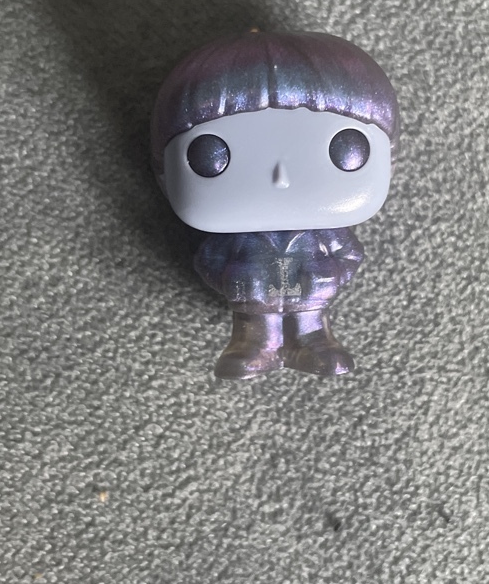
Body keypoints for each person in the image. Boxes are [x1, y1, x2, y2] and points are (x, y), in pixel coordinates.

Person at [151, 30, 399, 378]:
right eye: (212, 156)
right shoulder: (235, 238)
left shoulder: (325, 234)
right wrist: (232, 281)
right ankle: (256, 349)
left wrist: (330, 277)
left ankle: (314, 344)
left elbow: (351, 254)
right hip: (252, 301)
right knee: (254, 333)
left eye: (345, 150)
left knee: (312, 327)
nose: (281, 177)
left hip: (312, 298)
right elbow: (208, 259)